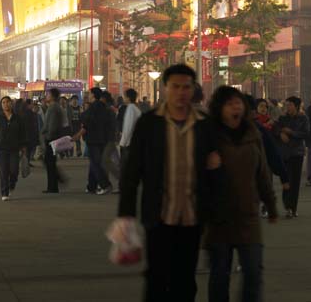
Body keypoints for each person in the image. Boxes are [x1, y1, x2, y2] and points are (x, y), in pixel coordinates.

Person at [117, 63, 218, 301]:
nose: (181, 92)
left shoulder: (204, 126)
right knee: (156, 280)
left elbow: (214, 170)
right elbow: (132, 172)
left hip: (193, 217)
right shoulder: (150, 124)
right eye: (176, 87)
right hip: (159, 216)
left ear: (193, 89)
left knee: (185, 281)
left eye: (186, 87)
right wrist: (126, 214)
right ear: (165, 88)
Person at [205, 86, 277, 302]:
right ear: (219, 109)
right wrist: (207, 166)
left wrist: (271, 205)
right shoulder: (209, 135)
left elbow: (262, 172)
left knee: (253, 273)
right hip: (218, 218)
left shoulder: (253, 134)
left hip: (248, 216)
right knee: (219, 276)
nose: (235, 107)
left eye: (238, 102)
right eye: (229, 103)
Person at [0, 96, 27, 201]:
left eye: (8, 102)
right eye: (3, 102)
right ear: (1, 105)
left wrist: (23, 146)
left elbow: (22, 133)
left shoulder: (17, 118)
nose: (6, 104)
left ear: (11, 104)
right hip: (1, 149)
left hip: (14, 149)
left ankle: (12, 184)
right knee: (3, 171)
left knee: (14, 170)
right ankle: (4, 192)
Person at [274, 96, 309, 218]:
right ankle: (287, 206)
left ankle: (292, 208)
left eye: (290, 105)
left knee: (295, 182)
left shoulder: (303, 119)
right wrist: (280, 133)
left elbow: (305, 133)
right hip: (284, 154)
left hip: (297, 153)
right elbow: (275, 129)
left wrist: (291, 132)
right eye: (287, 105)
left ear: (296, 106)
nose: (287, 107)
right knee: (286, 180)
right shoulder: (282, 118)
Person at [79, 87, 116, 195]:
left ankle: (105, 185)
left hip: (93, 139)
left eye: (90, 94)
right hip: (101, 139)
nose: (88, 96)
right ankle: (91, 186)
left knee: (96, 163)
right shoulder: (104, 107)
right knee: (94, 162)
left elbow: (86, 120)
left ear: (94, 95)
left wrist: (78, 134)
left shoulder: (93, 107)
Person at [40, 88, 66, 194]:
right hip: (52, 138)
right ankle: (54, 184)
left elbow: (52, 125)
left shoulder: (53, 108)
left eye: (48, 94)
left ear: (53, 96)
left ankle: (53, 186)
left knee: (49, 162)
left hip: (51, 139)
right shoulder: (54, 107)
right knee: (50, 162)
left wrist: (48, 136)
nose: (47, 96)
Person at [119, 88, 142, 166]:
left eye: (124, 96)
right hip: (134, 142)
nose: (124, 98)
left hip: (129, 143)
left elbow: (128, 127)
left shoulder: (131, 108)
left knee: (126, 166)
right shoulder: (135, 108)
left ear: (128, 98)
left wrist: (123, 142)